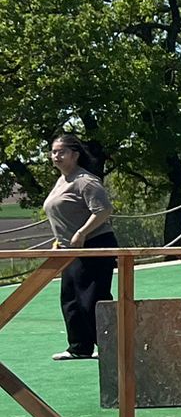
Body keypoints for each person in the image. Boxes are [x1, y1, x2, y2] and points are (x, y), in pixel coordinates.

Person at [43, 134, 118, 362]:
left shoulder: (85, 180)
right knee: (71, 300)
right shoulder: (62, 181)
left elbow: (103, 210)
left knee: (92, 299)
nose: (56, 156)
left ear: (75, 155)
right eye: (53, 152)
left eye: (61, 152)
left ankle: (110, 346)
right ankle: (79, 347)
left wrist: (81, 233)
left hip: (94, 245)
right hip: (70, 249)